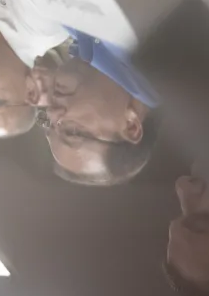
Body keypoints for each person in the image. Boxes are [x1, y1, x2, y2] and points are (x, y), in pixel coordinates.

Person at [37, 31, 162, 185]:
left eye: (48, 124)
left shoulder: (58, 28)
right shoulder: (166, 41)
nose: (51, 112)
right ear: (131, 126)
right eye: (72, 131)